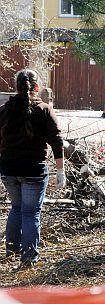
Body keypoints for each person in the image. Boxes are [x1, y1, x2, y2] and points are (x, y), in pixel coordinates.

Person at [0, 69, 66, 269]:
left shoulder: (4, 109)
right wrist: (60, 170)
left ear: (16, 86)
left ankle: (11, 251)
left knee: (16, 208)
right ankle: (29, 259)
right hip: (34, 171)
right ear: (37, 87)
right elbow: (57, 141)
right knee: (31, 213)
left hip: (8, 169)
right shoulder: (44, 109)